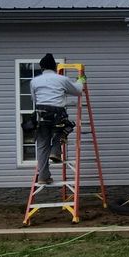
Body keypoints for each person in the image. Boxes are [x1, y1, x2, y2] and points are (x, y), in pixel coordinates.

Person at [31, 53, 85, 185]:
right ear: (54, 67)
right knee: (66, 127)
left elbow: (34, 99)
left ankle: (43, 177)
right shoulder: (61, 79)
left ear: (42, 67)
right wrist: (81, 80)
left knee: (42, 146)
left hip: (41, 115)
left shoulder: (34, 81)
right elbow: (78, 91)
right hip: (57, 113)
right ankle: (55, 151)